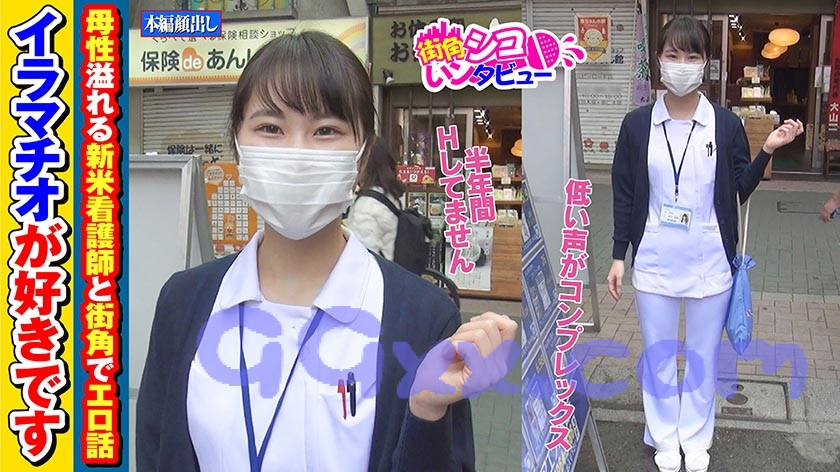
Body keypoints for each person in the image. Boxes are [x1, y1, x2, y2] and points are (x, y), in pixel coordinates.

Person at [136, 31, 518, 472]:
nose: (297, 153)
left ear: (362, 156)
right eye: (270, 128)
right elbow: (156, 453)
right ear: (237, 146)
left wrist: (426, 412)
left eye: (326, 131)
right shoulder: (183, 302)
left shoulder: (424, 319)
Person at [607, 16, 803, 472]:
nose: (682, 64)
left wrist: (767, 150)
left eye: (692, 55)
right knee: (658, 356)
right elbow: (624, 192)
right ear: (659, 60)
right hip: (653, 260)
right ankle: (663, 436)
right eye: (672, 54)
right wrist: (618, 255)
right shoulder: (636, 126)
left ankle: (695, 438)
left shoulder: (725, 124)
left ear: (705, 63)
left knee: (701, 357)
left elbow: (738, 189)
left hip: (710, 261)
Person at [345, 137, 406, 260]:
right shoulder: (389, 194)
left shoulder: (366, 206)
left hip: (380, 270)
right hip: (395, 266)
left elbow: (362, 257)